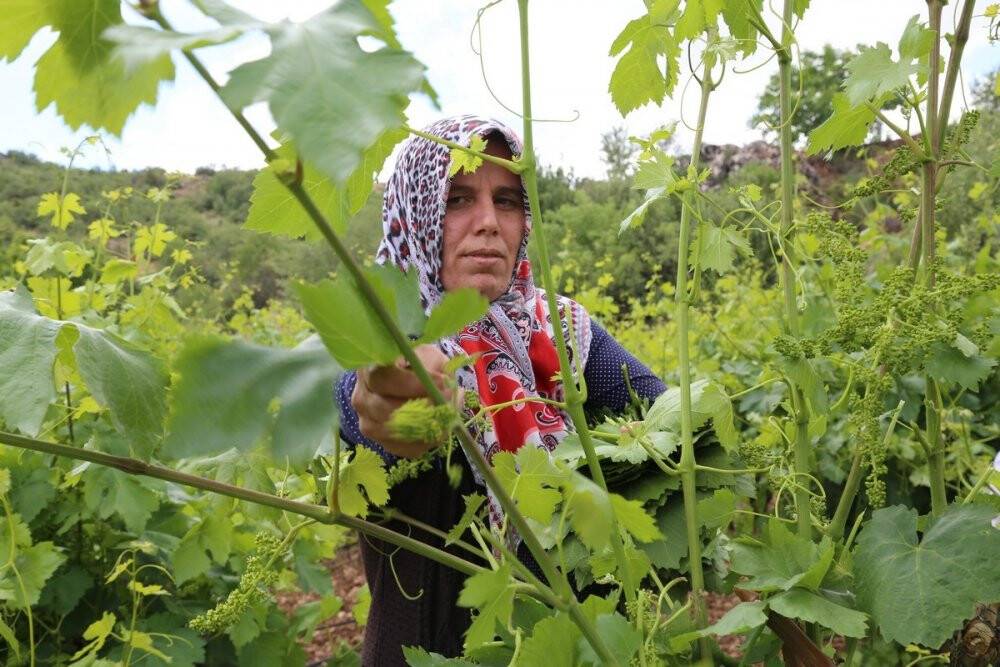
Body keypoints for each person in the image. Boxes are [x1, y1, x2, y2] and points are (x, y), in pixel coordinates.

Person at [335, 114, 666, 665]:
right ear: (416, 212)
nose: (488, 222)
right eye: (458, 199)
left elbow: (661, 412)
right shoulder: (376, 331)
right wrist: (384, 403)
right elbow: (360, 401)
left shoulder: (560, 330)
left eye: (508, 200)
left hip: (570, 645)